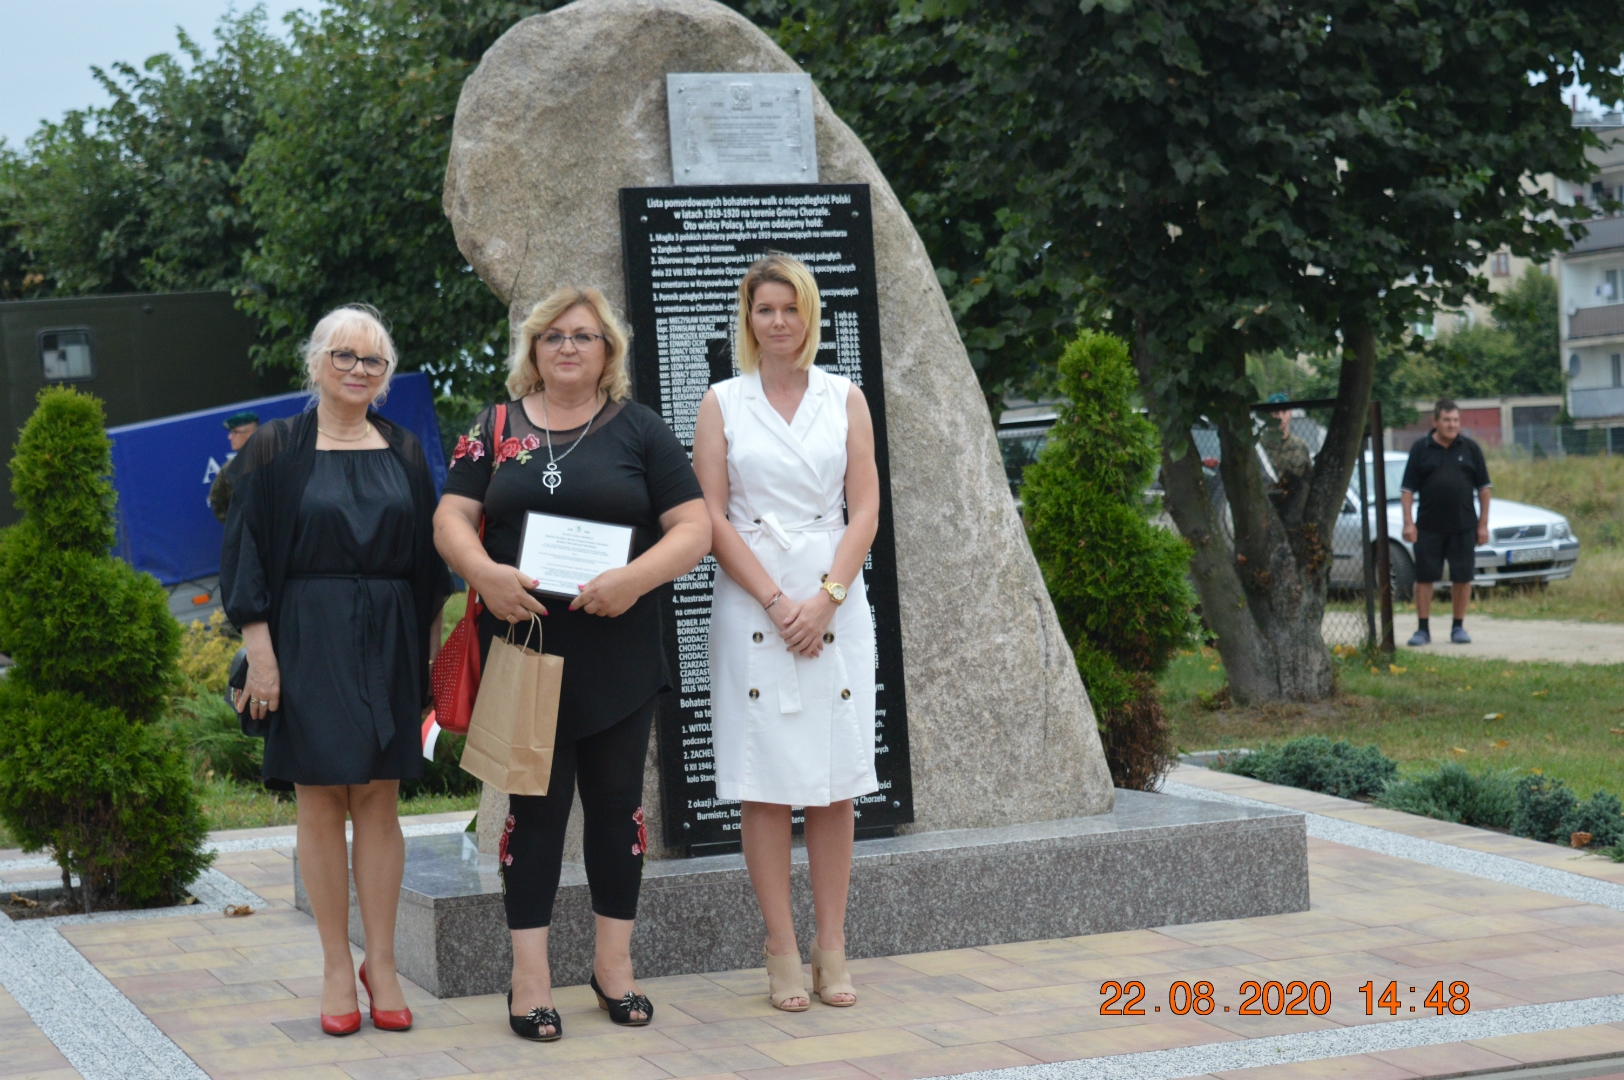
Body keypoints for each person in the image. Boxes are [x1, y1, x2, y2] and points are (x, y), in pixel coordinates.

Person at [433, 287, 709, 1042]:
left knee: (618, 810)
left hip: (619, 652)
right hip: (525, 650)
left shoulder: (641, 429)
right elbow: (451, 516)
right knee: (535, 815)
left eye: (584, 336)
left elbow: (694, 526)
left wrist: (634, 579)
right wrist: (483, 573)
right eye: (553, 335)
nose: (567, 347)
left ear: (607, 351)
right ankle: (529, 979)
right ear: (533, 348)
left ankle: (613, 968)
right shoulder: (494, 429)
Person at [220, 305, 450, 1037]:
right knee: (320, 797)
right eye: (343, 356)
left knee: (379, 797)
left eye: (372, 360)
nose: (357, 369)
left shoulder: (403, 449)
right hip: (304, 635)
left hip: (389, 637)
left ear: (386, 376)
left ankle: (381, 962)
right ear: (316, 362)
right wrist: (261, 656)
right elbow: (246, 553)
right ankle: (331, 965)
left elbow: (427, 567)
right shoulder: (275, 448)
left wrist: (427, 667)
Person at [692, 254, 880, 1013]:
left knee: (835, 784)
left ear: (810, 315)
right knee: (764, 784)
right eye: (765, 309)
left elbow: (865, 508)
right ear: (748, 319)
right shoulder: (722, 402)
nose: (778, 322)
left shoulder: (845, 397)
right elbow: (710, 517)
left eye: (791, 308)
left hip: (836, 597)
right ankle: (780, 948)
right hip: (753, 601)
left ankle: (832, 945)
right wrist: (776, 602)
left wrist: (827, 598)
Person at [1401, 398, 1491, 645]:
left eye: (1456, 420)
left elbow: (1484, 489)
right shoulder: (1420, 449)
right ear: (1435, 421)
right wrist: (1408, 523)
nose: (1452, 425)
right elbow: (1407, 490)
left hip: (1464, 526)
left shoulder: (1470, 449)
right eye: (1447, 420)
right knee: (1425, 577)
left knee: (1462, 577)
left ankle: (1458, 627)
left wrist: (1483, 525)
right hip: (1428, 528)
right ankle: (1422, 630)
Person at [209, 410, 261, 524]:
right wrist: (236, 526)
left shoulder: (276, 459)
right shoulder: (229, 469)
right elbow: (217, 499)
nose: (229, 437)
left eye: (234, 432)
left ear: (250, 434)